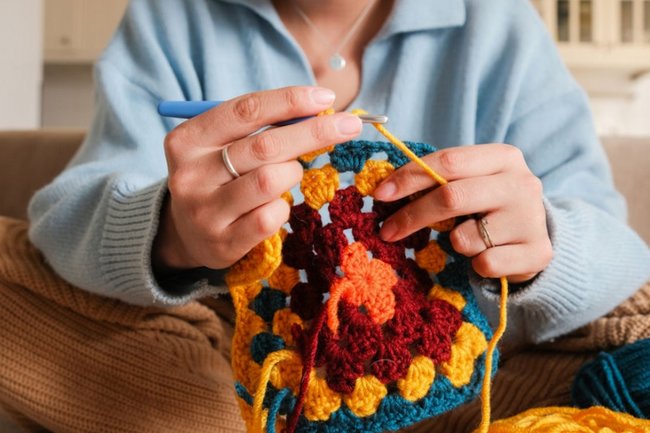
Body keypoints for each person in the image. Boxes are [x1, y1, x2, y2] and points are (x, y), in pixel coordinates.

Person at [1, 0, 648, 431]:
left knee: (627, 326)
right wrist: (170, 232)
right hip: (236, 365)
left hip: (466, 375)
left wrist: (540, 245)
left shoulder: (496, 22)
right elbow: (70, 214)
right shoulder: (174, 15)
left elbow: (618, 249)